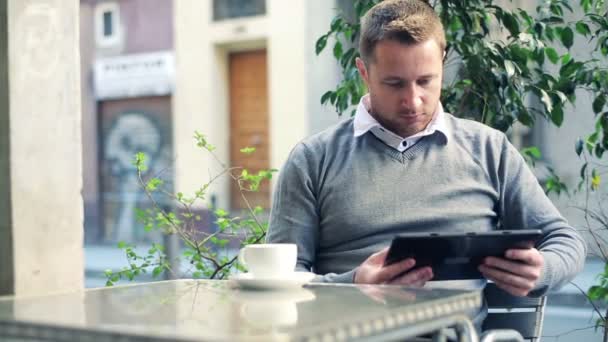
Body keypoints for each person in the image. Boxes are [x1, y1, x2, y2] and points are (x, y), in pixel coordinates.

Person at [266, 0, 586, 329]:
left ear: (442, 65)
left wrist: (542, 268)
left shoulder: (488, 149)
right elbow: (275, 278)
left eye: (425, 81)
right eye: (395, 84)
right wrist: (353, 284)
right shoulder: (312, 160)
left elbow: (566, 241)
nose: (412, 100)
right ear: (364, 72)